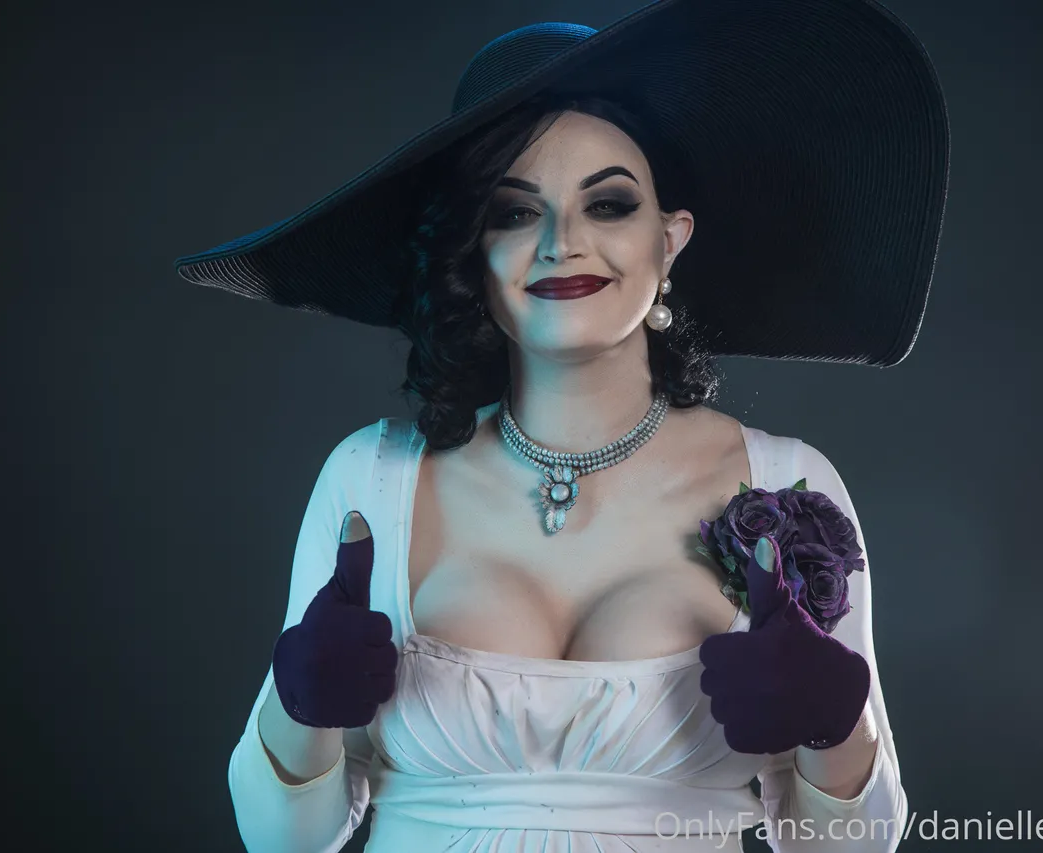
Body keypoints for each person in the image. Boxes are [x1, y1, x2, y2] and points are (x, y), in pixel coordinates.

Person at [172, 1, 949, 850]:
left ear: (670, 240)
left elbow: (855, 845)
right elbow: (284, 841)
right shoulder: (369, 483)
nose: (561, 241)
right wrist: (298, 714)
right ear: (474, 254)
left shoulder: (784, 489)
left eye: (608, 204)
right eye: (513, 212)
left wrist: (837, 731)